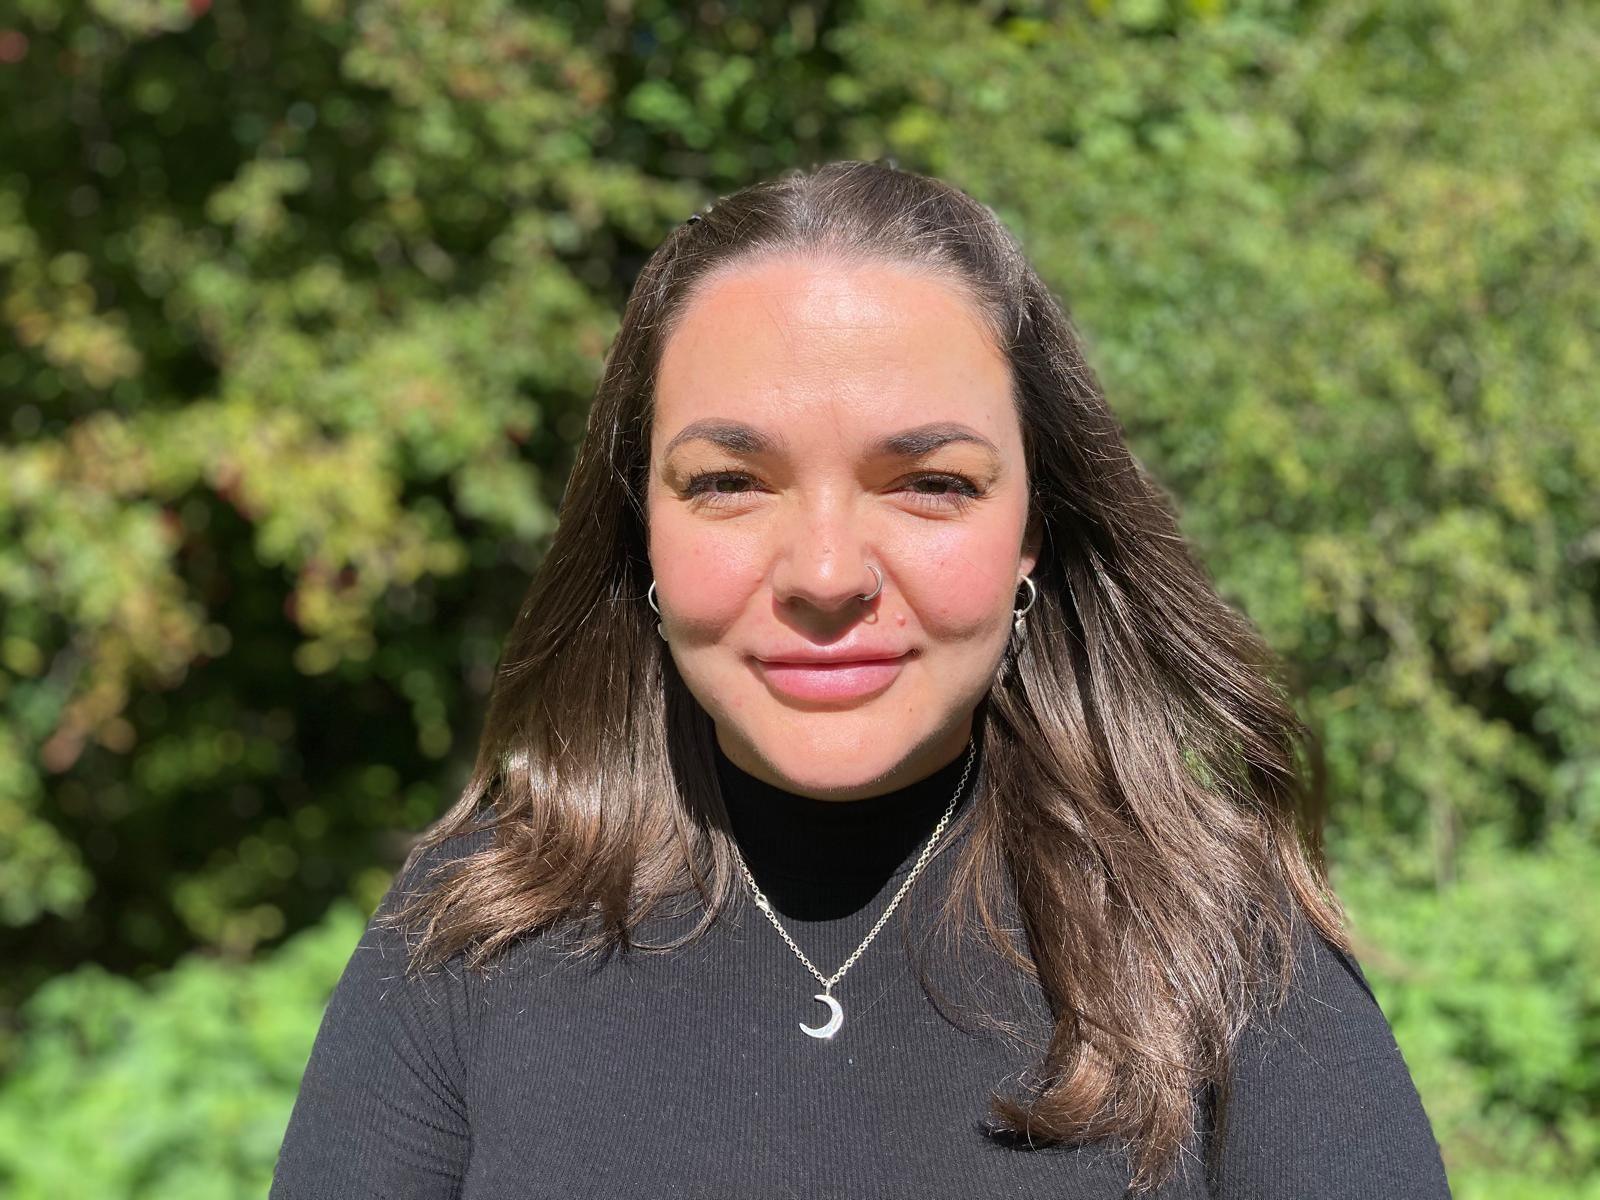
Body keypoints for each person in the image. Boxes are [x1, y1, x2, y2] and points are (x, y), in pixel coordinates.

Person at [269, 160, 1453, 1198]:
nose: (827, 572)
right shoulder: (472, 934)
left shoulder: (1214, 942)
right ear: (641, 533)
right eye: (729, 481)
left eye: (930, 482)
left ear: (1032, 529)